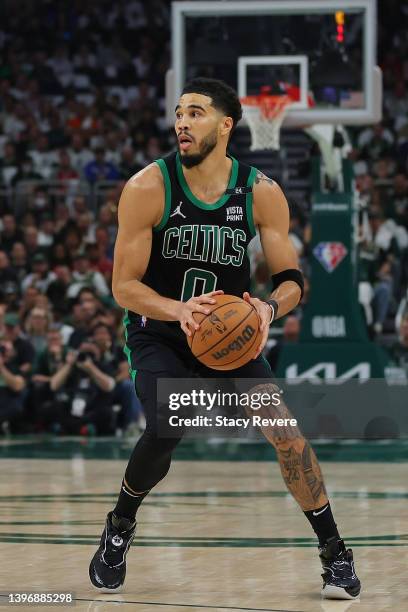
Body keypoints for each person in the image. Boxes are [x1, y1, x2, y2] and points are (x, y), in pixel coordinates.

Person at [89, 78, 360, 600]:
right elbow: (123, 286)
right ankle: (120, 525)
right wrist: (177, 310)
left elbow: (291, 282)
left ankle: (335, 553)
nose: (182, 123)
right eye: (178, 113)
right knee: (169, 424)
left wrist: (266, 306)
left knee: (288, 437)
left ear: (227, 125)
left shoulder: (260, 191)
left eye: (195, 113)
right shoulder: (148, 186)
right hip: (160, 333)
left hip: (229, 338)